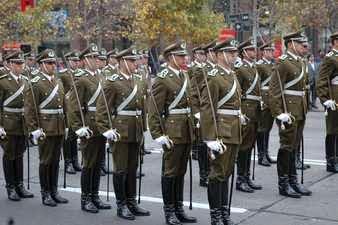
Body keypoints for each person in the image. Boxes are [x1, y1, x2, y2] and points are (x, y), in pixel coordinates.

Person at [96, 47, 151, 220]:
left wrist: (143, 128)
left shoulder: (138, 80)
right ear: (122, 62)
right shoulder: (112, 82)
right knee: (120, 169)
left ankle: (132, 202)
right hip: (120, 130)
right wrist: (106, 129)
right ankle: (121, 205)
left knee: (133, 167)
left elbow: (142, 106)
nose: (136, 64)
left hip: (135, 129)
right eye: (132, 61)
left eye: (136, 60)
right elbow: (102, 109)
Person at [149, 41, 198, 225]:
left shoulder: (184, 75)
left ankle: (179, 208)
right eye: (181, 56)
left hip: (186, 129)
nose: (185, 59)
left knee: (181, 171)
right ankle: (169, 211)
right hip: (172, 131)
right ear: (171, 58)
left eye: (185, 56)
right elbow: (154, 109)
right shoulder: (162, 78)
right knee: (170, 172)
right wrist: (158, 134)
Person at [200, 38, 241, 225]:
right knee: (217, 174)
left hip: (234, 130)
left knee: (227, 173)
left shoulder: (232, 75)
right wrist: (210, 138)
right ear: (219, 55)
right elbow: (207, 108)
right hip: (221, 132)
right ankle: (215, 215)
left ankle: (224, 212)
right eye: (230, 53)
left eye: (234, 53)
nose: (234, 56)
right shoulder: (213, 77)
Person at [67, 43, 111, 213]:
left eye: (97, 57)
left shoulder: (101, 76)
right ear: (85, 60)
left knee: (98, 162)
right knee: (89, 164)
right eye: (92, 57)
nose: (96, 60)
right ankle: (86, 199)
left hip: (101, 125)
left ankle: (95, 196)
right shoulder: (81, 78)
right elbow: (74, 106)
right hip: (89, 126)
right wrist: (78, 127)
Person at [269, 31, 312, 198]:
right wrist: (278, 113)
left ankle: (293, 181)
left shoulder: (300, 62)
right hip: (288, 112)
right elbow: (274, 91)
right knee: (286, 147)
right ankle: (283, 183)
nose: (305, 47)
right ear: (291, 44)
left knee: (294, 147)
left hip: (299, 110)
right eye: (302, 44)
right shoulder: (283, 62)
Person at [24, 49, 68, 206]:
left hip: (58, 126)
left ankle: (54, 191)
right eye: (49, 63)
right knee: (46, 161)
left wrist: (67, 125)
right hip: (45, 127)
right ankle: (45, 193)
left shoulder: (58, 81)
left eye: (53, 63)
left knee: (56, 160)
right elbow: (30, 109)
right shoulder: (35, 83)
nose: (52, 66)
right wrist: (34, 129)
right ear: (41, 64)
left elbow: (64, 104)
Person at [0, 51, 34, 201]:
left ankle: (20, 185)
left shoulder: (26, 81)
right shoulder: (2, 81)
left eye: (22, 63)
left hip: (22, 123)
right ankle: (11, 187)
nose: (20, 66)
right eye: (17, 64)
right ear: (10, 64)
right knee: (9, 154)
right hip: (8, 122)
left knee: (20, 153)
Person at [235, 38, 262, 193]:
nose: (254, 52)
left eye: (254, 49)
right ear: (244, 52)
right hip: (246, 109)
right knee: (244, 146)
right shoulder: (240, 68)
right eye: (251, 50)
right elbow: (236, 92)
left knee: (250, 145)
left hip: (255, 110)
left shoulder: (253, 67)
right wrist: (239, 112)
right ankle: (240, 179)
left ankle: (246, 176)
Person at [316, 31, 338, 173]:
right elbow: (322, 80)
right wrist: (325, 99)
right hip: (334, 98)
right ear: (335, 41)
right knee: (332, 131)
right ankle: (330, 161)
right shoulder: (330, 58)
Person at [188, 45, 209, 187]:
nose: (203, 56)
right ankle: (204, 175)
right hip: (202, 109)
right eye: (200, 53)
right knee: (203, 143)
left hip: (212, 110)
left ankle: (210, 172)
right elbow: (193, 90)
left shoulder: (209, 69)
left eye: (204, 54)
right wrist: (196, 112)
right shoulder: (195, 69)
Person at [59, 51, 82, 174]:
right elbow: (61, 93)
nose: (76, 63)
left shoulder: (80, 74)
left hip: (77, 109)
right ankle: (68, 162)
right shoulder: (63, 75)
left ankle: (75, 160)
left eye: (78, 61)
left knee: (74, 136)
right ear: (68, 61)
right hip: (68, 109)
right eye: (74, 61)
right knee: (68, 138)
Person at [256, 41, 277, 167]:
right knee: (262, 129)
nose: (271, 53)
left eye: (272, 51)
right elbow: (256, 85)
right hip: (264, 99)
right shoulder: (259, 65)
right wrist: (260, 100)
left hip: (271, 100)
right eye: (269, 51)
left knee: (268, 128)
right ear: (263, 52)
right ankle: (261, 155)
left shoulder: (273, 65)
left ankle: (266, 153)